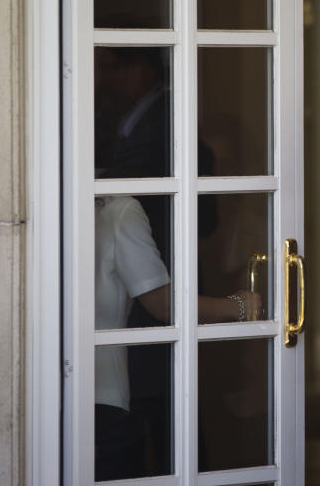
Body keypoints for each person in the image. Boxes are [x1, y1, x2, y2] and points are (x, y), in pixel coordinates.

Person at [94, 195, 260, 480]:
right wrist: (240, 306)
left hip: (55, 389)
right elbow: (161, 303)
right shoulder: (118, 209)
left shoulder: (52, 200)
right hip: (104, 397)